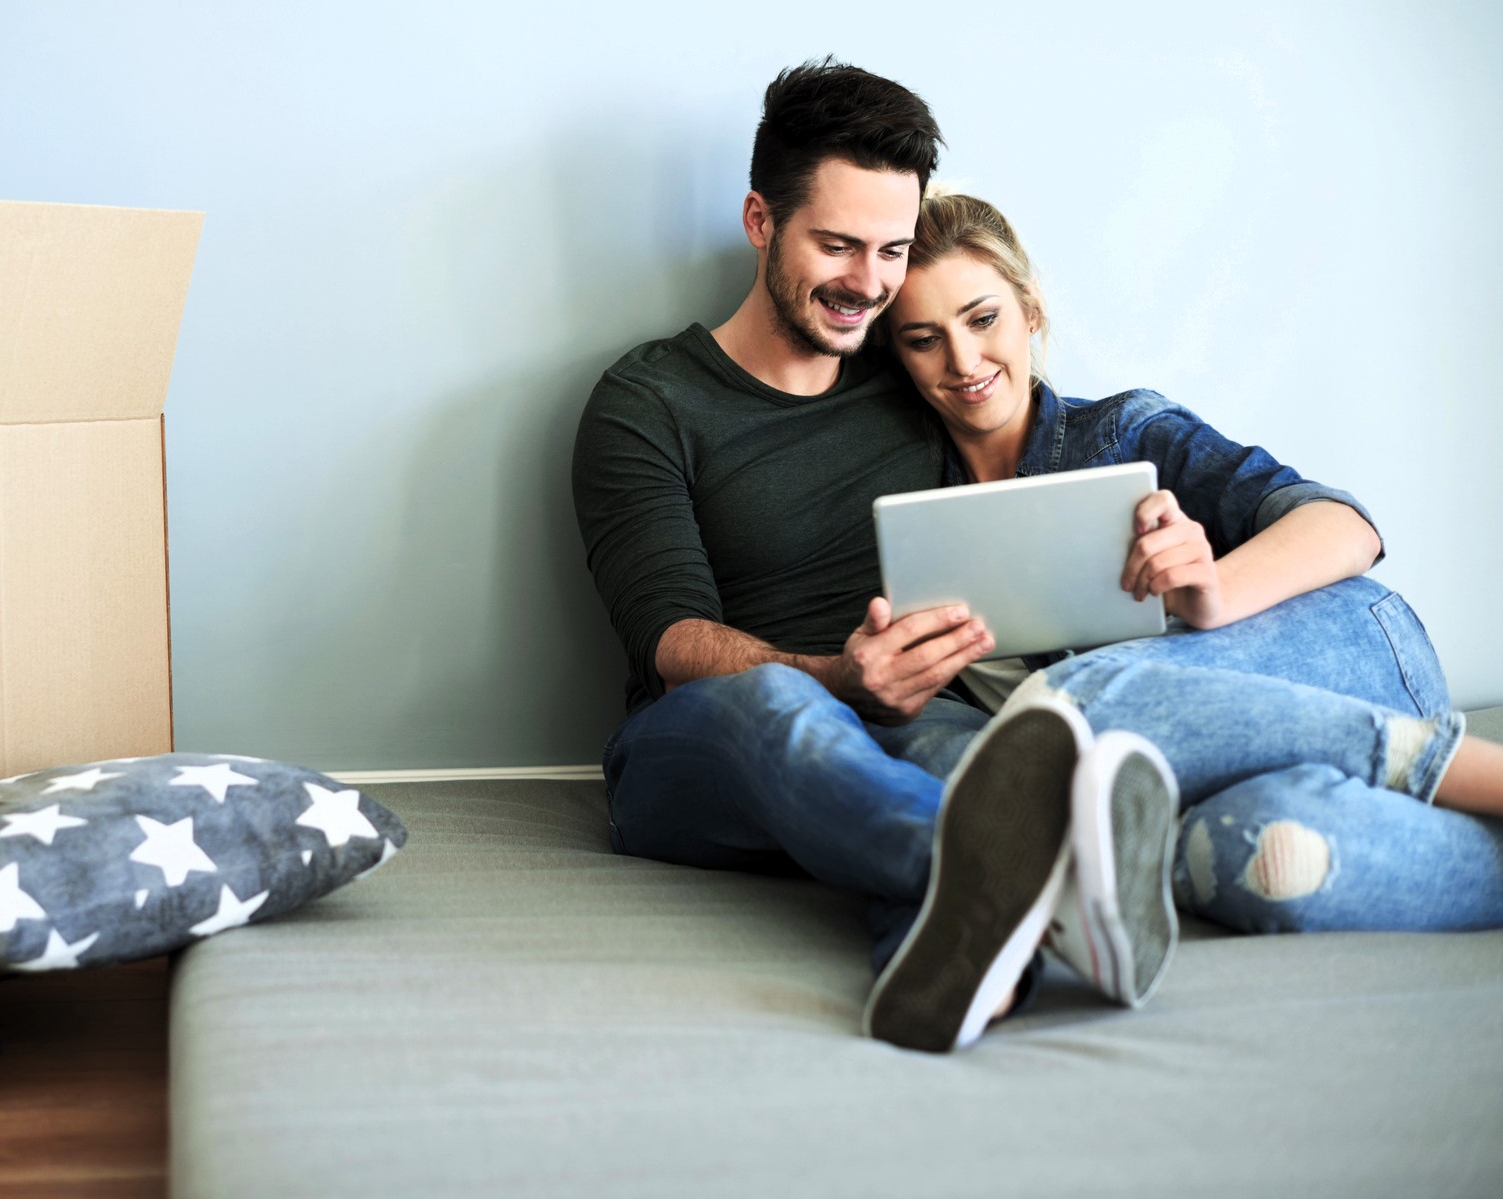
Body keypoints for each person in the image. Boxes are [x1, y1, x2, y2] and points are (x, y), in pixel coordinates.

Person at [571, 59, 1180, 1055]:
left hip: (909, 722)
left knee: (986, 770)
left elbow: (1027, 435)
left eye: (890, 250)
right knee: (782, 708)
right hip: (699, 746)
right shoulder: (648, 402)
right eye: (837, 244)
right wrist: (833, 676)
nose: (867, 283)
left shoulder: (910, 374)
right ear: (760, 220)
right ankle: (1038, 879)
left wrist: (1154, 547)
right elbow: (668, 640)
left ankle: (955, 968)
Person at [878, 189, 1503, 930]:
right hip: (1213, 771)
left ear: (1030, 308)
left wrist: (1213, 591)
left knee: (1056, 712)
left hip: (1350, 658)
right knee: (1255, 853)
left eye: (983, 319)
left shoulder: (1123, 432)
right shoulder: (906, 513)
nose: (963, 359)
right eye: (923, 338)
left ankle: (1417, 755)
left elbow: (1346, 526)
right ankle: (1135, 858)